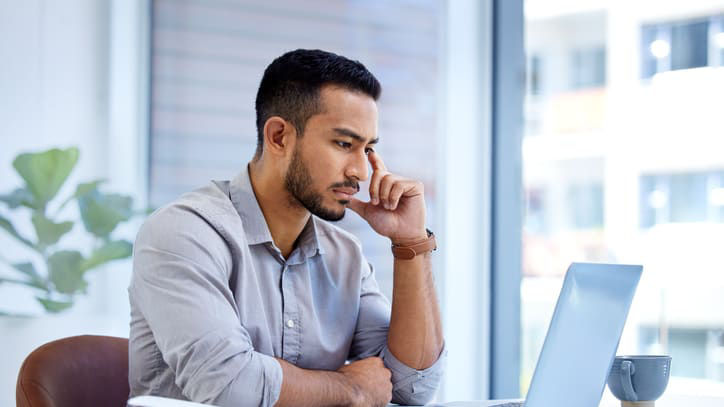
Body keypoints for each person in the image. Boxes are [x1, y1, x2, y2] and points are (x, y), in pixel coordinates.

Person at [128, 49, 445, 407]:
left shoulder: (345, 256)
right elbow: (229, 387)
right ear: (279, 136)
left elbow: (412, 387)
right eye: (344, 144)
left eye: (368, 148)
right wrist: (351, 389)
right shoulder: (183, 234)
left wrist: (412, 244)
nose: (360, 170)